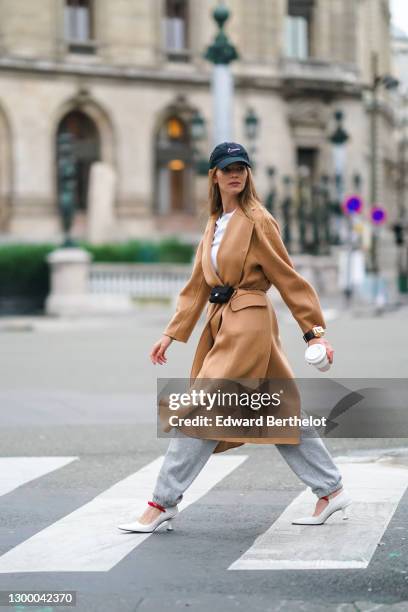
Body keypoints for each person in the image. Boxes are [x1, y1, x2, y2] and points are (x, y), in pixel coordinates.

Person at [117, 142, 352, 534]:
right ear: (214, 175)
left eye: (241, 167)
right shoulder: (215, 221)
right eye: (227, 168)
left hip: (249, 326)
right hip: (223, 323)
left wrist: (315, 333)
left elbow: (288, 278)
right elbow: (197, 286)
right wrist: (171, 334)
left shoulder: (257, 219)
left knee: (200, 407)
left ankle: (161, 503)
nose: (235, 174)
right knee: (279, 412)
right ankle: (331, 490)